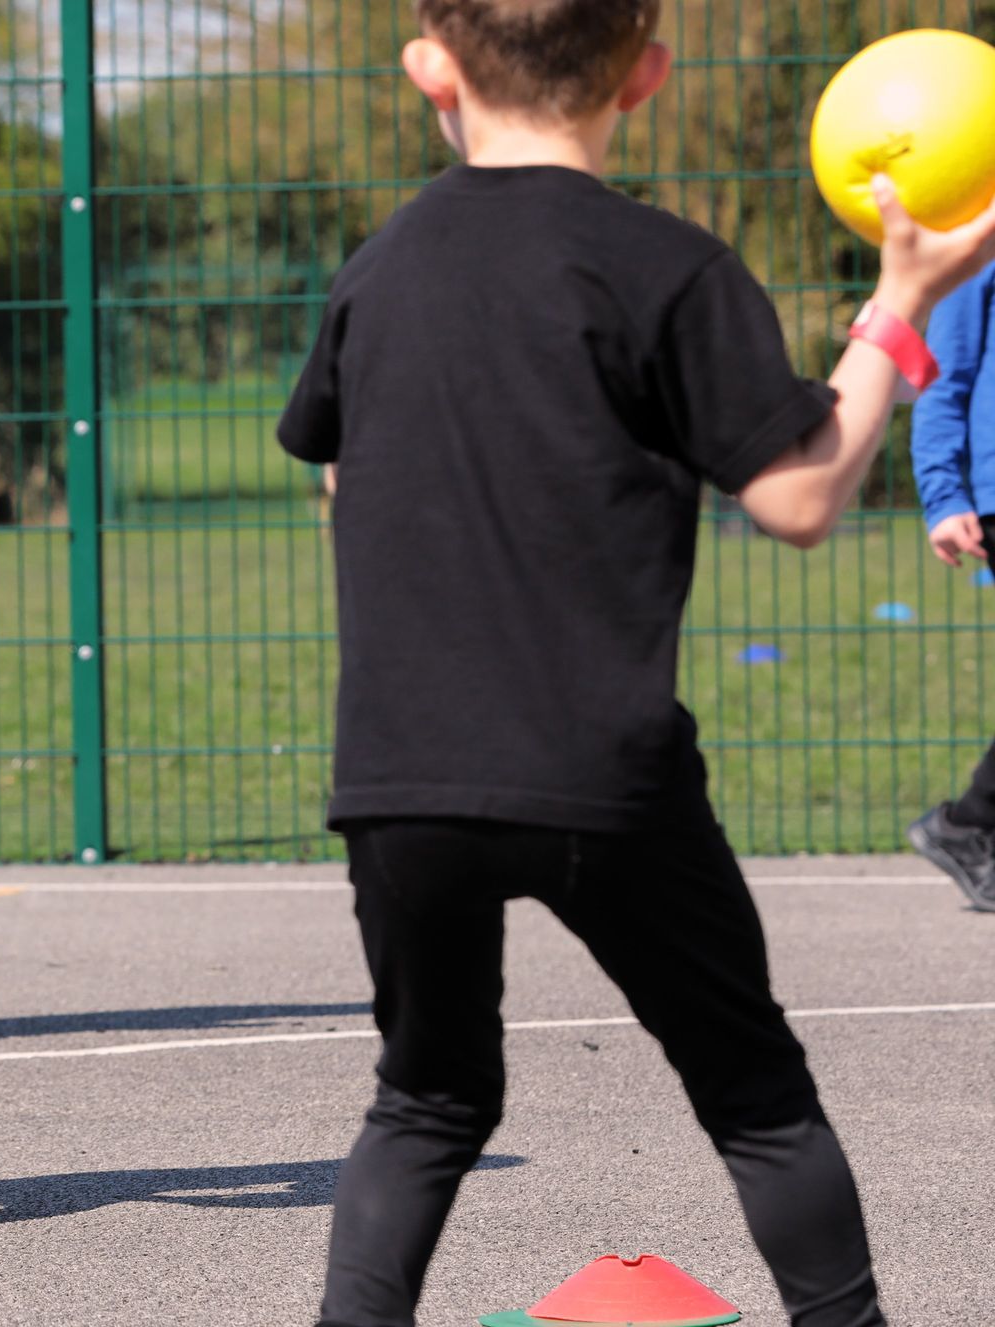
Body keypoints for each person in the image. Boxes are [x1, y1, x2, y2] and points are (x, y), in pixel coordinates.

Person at [275, 2, 995, 1324]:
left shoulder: (378, 268)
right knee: (755, 1092)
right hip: (602, 771)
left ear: (430, 65)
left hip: (400, 775)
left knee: (428, 1095)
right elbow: (799, 496)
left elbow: (322, 444)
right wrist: (901, 298)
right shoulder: (666, 266)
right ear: (649, 74)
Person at [906, 258, 995, 911]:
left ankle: (967, 824)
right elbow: (943, 372)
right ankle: (967, 826)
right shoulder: (983, 239)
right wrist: (943, 494)